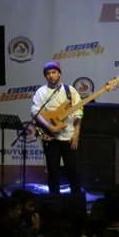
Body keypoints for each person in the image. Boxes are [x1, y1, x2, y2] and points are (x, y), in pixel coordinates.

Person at [31, 60, 84, 199]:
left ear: (59, 74)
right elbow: (35, 112)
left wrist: (76, 134)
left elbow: (79, 113)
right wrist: (50, 127)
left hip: (69, 137)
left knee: (73, 170)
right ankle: (54, 201)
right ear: (45, 76)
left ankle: (76, 200)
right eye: (48, 73)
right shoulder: (41, 92)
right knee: (53, 171)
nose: (51, 75)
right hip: (50, 137)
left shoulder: (70, 90)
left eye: (54, 72)